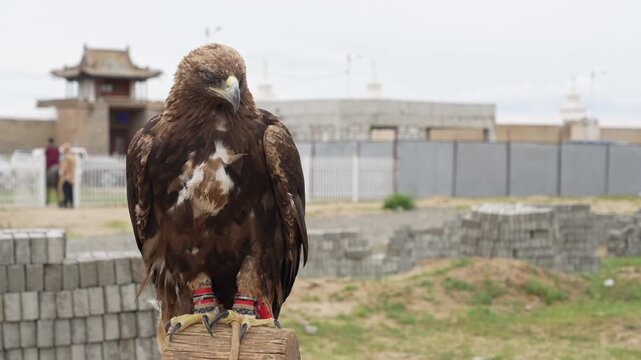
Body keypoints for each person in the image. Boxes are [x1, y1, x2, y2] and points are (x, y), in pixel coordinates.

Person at [58, 143, 76, 208]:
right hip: (71, 176)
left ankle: (65, 203)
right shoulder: (72, 157)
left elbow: (64, 167)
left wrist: (61, 172)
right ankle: (71, 203)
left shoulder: (66, 157)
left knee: (66, 190)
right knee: (70, 190)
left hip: (66, 176)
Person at [44, 138, 60, 204]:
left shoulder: (48, 149)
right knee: (57, 186)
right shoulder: (57, 148)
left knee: (48, 186)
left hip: (49, 168)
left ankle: (47, 200)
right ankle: (59, 200)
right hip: (57, 167)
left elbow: (45, 155)